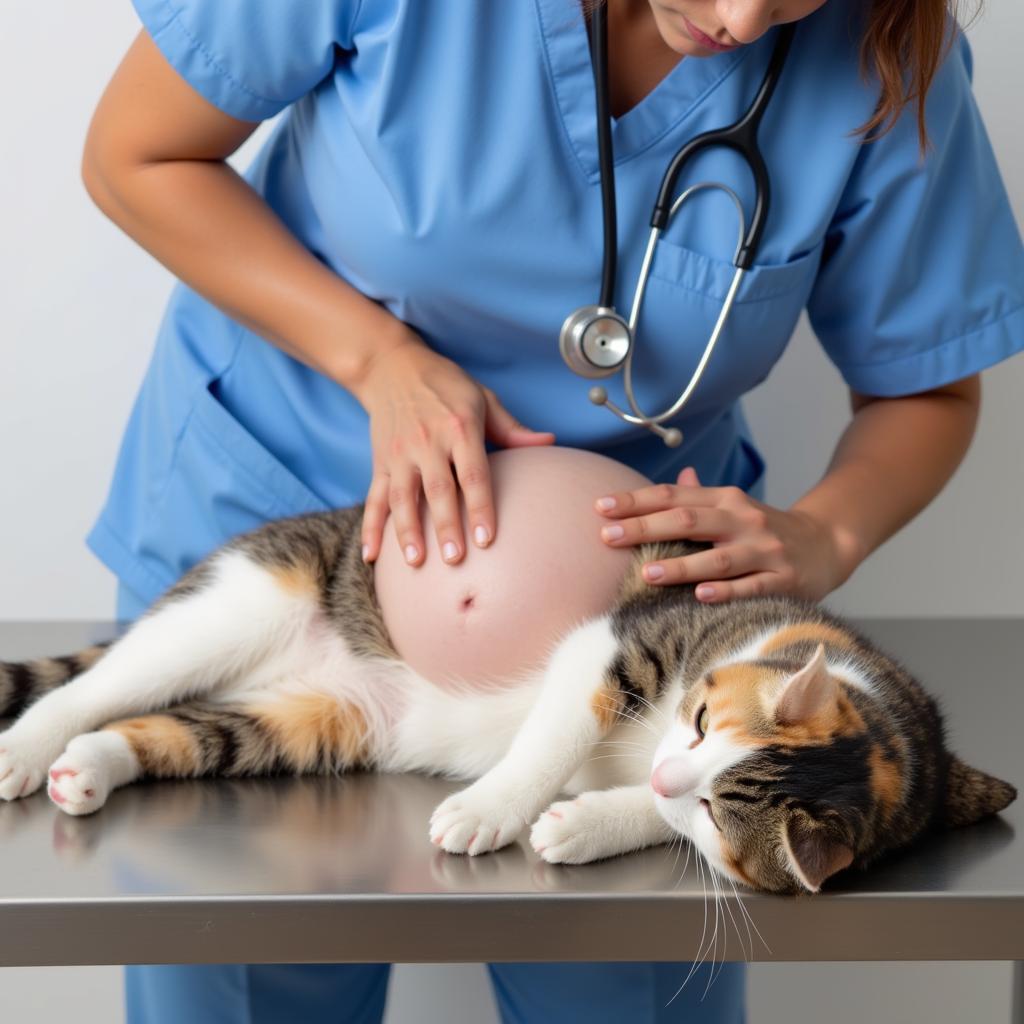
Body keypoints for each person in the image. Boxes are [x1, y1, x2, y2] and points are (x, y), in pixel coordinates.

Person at [80, 0, 1023, 1020]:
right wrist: (377, 359)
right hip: (277, 543)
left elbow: (924, 386)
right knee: (250, 977)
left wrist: (827, 531)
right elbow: (140, 155)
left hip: (658, 689)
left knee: (621, 996)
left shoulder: (885, 51)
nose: (743, 22)